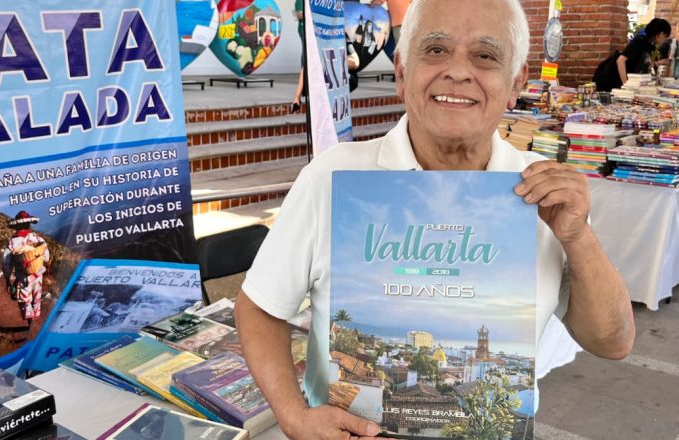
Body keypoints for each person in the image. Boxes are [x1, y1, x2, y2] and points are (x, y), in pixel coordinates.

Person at [235, 1, 636, 439]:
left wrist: (578, 237)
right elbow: (259, 307)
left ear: (516, 82)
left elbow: (612, 342)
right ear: (401, 73)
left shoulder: (543, 192)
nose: (459, 72)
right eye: (436, 50)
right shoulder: (332, 177)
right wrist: (293, 415)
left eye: (485, 55)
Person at [596, 18, 671, 91]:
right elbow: (620, 60)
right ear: (659, 33)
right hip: (613, 80)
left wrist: (657, 63)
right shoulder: (639, 41)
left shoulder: (649, 45)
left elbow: (642, 64)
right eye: (664, 36)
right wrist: (625, 85)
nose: (664, 40)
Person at [3, 210, 50, 325]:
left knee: (24, 296)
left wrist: (7, 279)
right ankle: (35, 314)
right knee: (36, 294)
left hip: (23, 274)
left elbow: (6, 262)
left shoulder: (12, 243)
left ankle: (29, 317)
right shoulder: (38, 239)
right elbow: (46, 257)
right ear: (29, 224)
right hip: (37, 272)